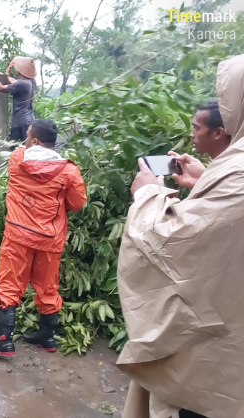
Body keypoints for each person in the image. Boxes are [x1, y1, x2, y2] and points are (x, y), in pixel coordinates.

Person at [118, 54, 244, 418]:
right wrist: (206, 181)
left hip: (216, 359)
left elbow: (175, 242)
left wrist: (147, 194)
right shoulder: (230, 167)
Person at [0, 119, 87, 357]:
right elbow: (77, 203)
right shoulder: (69, 171)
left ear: (36, 141)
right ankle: (47, 337)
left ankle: (3, 342)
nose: (24, 141)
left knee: (9, 286)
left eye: (27, 136)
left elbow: (23, 154)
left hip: (17, 236)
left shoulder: (17, 160)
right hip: (50, 238)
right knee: (48, 288)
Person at [0, 56, 38, 143]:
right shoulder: (31, 82)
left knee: (15, 147)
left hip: (20, 122)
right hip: (29, 120)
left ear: (20, 71)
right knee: (28, 147)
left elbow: (0, 88)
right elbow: (13, 82)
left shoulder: (21, 84)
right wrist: (1, 76)